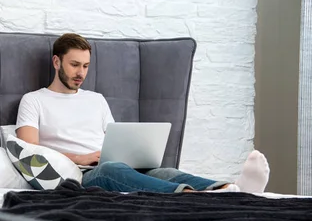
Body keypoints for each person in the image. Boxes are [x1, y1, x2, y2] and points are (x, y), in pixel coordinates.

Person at [15, 33, 270, 194]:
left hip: (113, 163)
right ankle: (189, 197)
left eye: (86, 66)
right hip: (82, 173)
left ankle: (233, 189)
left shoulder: (96, 99)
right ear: (57, 62)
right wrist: (83, 157)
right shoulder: (34, 100)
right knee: (112, 168)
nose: (81, 73)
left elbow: (116, 138)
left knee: (166, 172)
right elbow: (31, 151)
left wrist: (129, 153)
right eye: (74, 65)